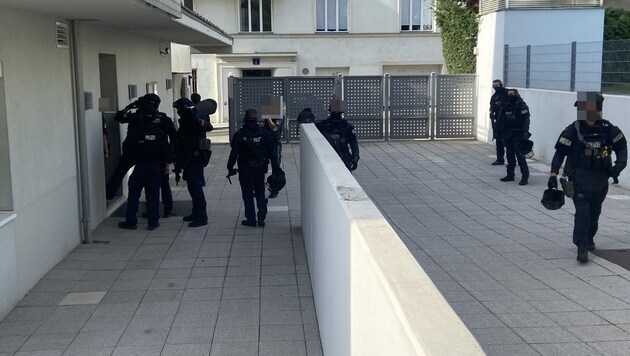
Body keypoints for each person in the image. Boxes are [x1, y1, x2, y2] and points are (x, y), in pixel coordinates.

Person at [548, 92, 627, 263]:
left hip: (600, 179)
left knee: (594, 213)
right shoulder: (573, 129)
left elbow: (622, 147)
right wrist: (553, 174)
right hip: (579, 178)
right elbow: (560, 152)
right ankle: (581, 244)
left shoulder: (608, 129)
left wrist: (618, 167)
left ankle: (589, 238)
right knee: (582, 213)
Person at [107, 94, 177, 218]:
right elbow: (173, 136)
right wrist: (169, 156)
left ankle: (109, 195)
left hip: (133, 152)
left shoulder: (136, 116)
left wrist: (129, 107)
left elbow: (119, 117)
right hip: (156, 156)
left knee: (121, 173)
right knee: (162, 182)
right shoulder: (162, 118)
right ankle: (168, 209)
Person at [118, 110, 170, 230]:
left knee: (134, 195)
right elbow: (166, 152)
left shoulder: (135, 132)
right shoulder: (160, 133)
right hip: (155, 168)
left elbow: (126, 148)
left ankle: (131, 221)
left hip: (140, 167)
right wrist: (165, 166)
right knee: (153, 195)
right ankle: (153, 222)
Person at [227, 108, 279, 227]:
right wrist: (276, 168)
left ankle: (251, 219)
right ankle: (262, 216)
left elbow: (234, 153)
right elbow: (272, 152)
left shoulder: (240, 135)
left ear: (245, 118)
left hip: (245, 169)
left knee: (247, 194)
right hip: (260, 169)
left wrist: (230, 168)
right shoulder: (264, 133)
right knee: (260, 192)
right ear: (257, 119)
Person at [172, 98, 214, 227]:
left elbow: (208, 127)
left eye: (179, 109)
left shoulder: (197, 118)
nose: (178, 112)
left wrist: (199, 121)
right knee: (192, 187)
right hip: (189, 158)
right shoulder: (186, 120)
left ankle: (202, 217)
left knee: (196, 188)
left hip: (195, 158)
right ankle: (195, 213)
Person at [497, 88, 530, 185]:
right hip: (508, 134)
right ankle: (510, 175)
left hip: (518, 133)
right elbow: (501, 120)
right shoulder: (505, 106)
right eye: (509, 94)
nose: (510, 95)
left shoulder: (521, 105)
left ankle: (525, 177)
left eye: (512, 94)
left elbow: (526, 120)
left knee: (520, 156)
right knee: (510, 155)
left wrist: (525, 132)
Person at [315, 100, 360, 171]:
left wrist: (355, 157)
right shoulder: (346, 126)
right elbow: (353, 143)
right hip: (336, 157)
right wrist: (355, 157)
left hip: (335, 157)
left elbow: (353, 143)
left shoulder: (322, 126)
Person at [264, 114, 284, 198]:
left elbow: (274, 128)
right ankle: (260, 188)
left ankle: (274, 189)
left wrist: (268, 117)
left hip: (275, 143)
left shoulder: (279, 116)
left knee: (275, 167)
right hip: (266, 142)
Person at [490, 79, 507, 165]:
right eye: (494, 86)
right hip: (499, 123)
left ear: (501, 85)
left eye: (497, 85)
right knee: (499, 142)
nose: (495, 87)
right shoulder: (494, 96)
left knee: (510, 143)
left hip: (507, 123)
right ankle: (500, 159)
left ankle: (516, 160)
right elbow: (492, 109)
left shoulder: (507, 94)